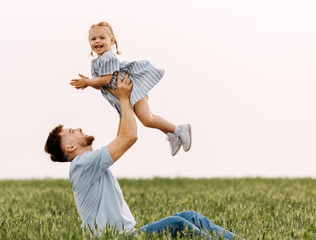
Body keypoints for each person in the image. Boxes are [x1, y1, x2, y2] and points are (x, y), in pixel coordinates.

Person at [45, 73, 235, 239]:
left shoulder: (87, 164)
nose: (78, 128)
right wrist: (125, 98)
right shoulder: (81, 164)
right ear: (70, 147)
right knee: (178, 225)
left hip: (128, 235)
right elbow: (129, 136)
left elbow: (122, 135)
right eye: (72, 131)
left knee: (191, 216)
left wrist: (123, 100)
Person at [69, 21, 191, 157]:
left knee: (148, 119)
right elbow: (101, 85)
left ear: (112, 40)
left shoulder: (108, 57)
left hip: (132, 90)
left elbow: (107, 79)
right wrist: (90, 82)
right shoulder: (96, 63)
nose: (97, 41)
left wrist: (88, 82)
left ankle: (180, 130)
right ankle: (173, 133)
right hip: (122, 97)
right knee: (129, 129)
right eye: (93, 39)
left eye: (102, 38)